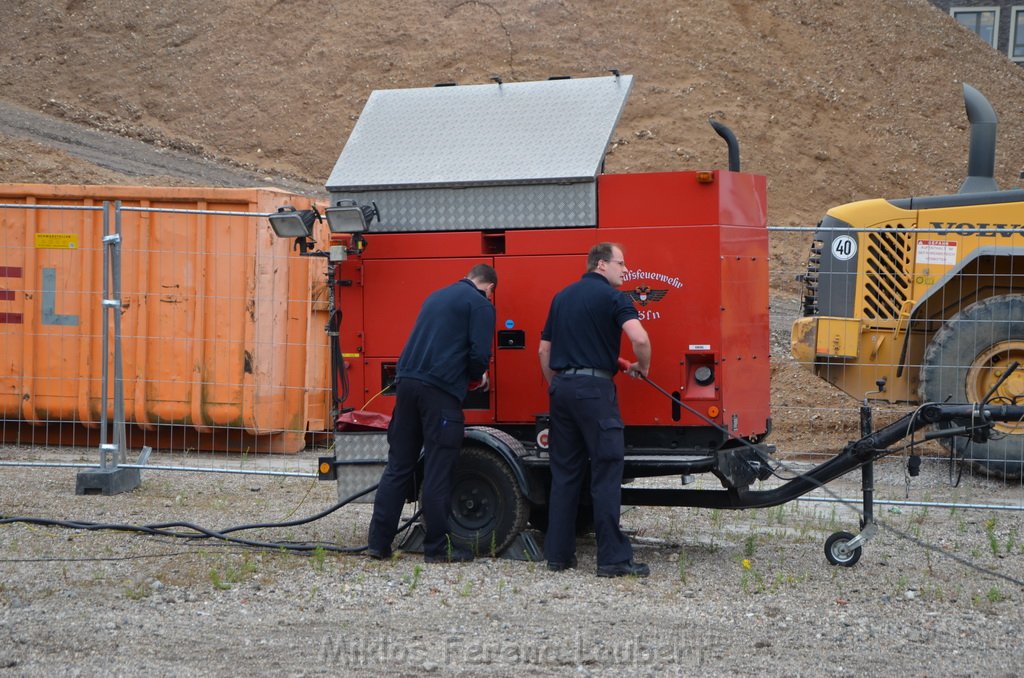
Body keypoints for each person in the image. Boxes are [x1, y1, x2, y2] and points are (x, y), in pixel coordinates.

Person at [366, 263, 498, 563]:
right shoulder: (480, 304)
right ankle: (437, 549)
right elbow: (479, 355)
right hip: (439, 393)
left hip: (407, 385)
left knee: (399, 466)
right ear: (489, 288)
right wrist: (478, 377)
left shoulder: (435, 296)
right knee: (439, 469)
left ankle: (378, 543)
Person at [538, 242, 652, 578]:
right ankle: (613, 560)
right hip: (596, 394)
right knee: (605, 471)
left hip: (562, 390)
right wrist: (642, 367)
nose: (626, 269)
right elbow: (640, 339)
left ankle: (558, 556)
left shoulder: (562, 297)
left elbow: (544, 352)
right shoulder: (615, 299)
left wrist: (558, 385)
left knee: (565, 474)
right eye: (621, 262)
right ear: (601, 264)